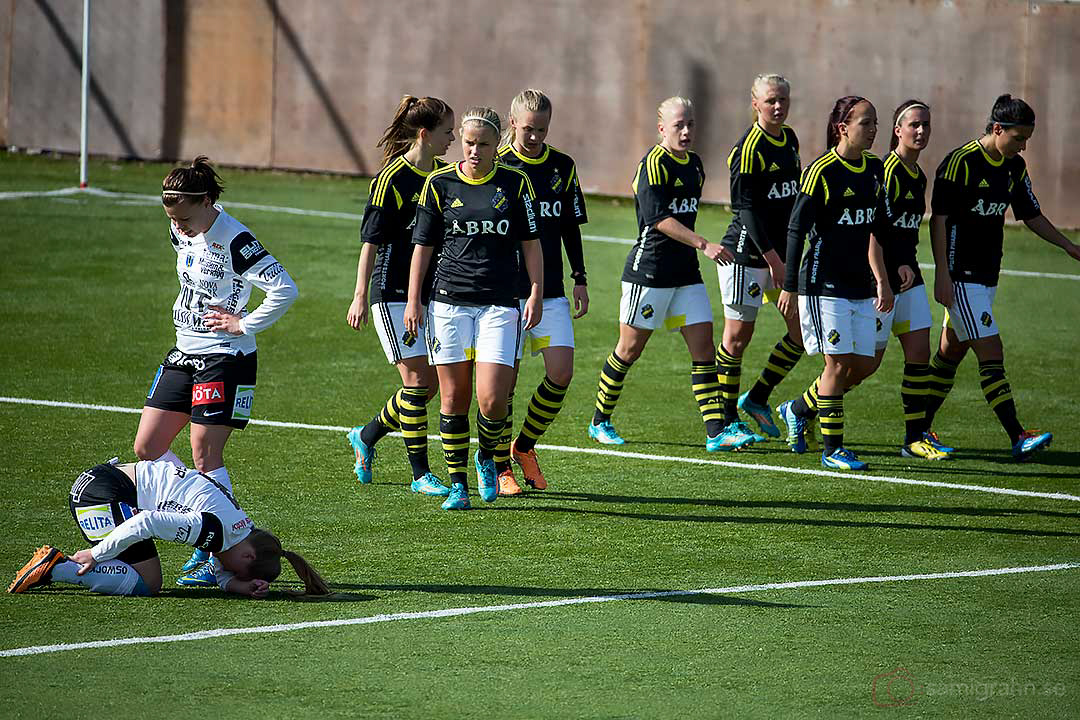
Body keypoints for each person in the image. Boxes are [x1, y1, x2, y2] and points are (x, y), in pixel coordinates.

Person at [134, 157, 297, 582]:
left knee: (205, 455)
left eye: (186, 218)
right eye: (173, 219)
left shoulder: (235, 238)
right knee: (147, 449)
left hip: (226, 356)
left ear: (208, 202)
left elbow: (285, 287)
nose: (180, 227)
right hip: (184, 352)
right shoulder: (180, 229)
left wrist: (243, 322)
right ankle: (198, 514)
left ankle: (216, 549)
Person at [923, 94, 1080, 460]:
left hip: (987, 276)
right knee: (991, 351)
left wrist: (1067, 246)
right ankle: (1017, 435)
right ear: (997, 129)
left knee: (950, 353)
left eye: (1027, 138)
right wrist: (942, 274)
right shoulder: (960, 163)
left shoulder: (1014, 167)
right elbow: (940, 220)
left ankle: (917, 428)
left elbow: (1030, 214)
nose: (1023, 145)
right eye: (1018, 137)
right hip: (961, 276)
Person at [404, 106, 543, 510]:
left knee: (492, 399)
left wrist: (535, 291)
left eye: (483, 143)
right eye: (468, 142)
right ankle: (459, 485)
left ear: (497, 143)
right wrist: (415, 300)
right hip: (448, 305)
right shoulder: (438, 183)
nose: (474, 150)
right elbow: (422, 247)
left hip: (500, 304)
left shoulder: (516, 184)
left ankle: (487, 455)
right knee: (452, 398)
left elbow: (531, 244)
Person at [587, 96, 734, 450]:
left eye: (690, 125)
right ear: (661, 128)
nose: (685, 132)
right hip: (649, 272)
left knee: (703, 349)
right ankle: (599, 420)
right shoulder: (653, 164)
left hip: (685, 274)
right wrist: (703, 244)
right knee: (629, 349)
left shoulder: (695, 165)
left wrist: (695, 251)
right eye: (678, 125)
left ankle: (716, 431)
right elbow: (657, 219)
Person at [8, 458, 328, 597]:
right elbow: (146, 522)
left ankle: (64, 565)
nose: (223, 570)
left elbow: (221, 562)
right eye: (238, 572)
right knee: (147, 583)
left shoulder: (241, 530)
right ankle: (56, 568)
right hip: (101, 496)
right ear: (246, 558)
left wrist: (235, 585)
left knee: (143, 572)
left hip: (103, 487)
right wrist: (96, 553)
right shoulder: (215, 530)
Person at [346, 96, 455, 497]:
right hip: (391, 293)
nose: (454, 139)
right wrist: (360, 296)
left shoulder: (444, 175)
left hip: (430, 294)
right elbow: (370, 243)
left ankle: (367, 435)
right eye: (448, 132)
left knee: (426, 387)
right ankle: (419, 474)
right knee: (415, 381)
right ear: (425, 134)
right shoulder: (391, 179)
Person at [775, 96, 892, 471]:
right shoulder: (821, 171)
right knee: (838, 365)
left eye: (876, 123)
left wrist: (883, 278)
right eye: (866, 123)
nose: (874, 130)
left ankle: (797, 408)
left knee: (864, 364)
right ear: (843, 128)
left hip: (859, 283)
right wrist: (789, 286)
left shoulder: (875, 168)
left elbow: (879, 227)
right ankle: (833, 449)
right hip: (822, 285)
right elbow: (795, 229)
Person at [492, 89, 589, 495]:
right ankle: (500, 467)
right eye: (528, 128)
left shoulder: (562, 166)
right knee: (506, 385)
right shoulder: (496, 167)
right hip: (504, 291)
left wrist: (579, 276)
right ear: (513, 123)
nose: (534, 137)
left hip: (550, 291)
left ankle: (524, 446)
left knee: (560, 373)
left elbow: (569, 226)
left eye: (542, 130)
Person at [715, 74, 804, 448]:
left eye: (783, 99)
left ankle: (757, 396)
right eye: (770, 101)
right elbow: (745, 210)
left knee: (802, 333)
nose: (778, 106)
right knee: (737, 338)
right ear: (755, 104)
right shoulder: (748, 148)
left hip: (779, 256)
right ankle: (726, 419)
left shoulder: (790, 140)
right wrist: (773, 260)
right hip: (746, 254)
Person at [865, 99, 949, 460]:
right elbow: (872, 232)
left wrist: (906, 266)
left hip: (908, 274)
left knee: (919, 353)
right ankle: (801, 409)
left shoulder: (919, 176)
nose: (921, 131)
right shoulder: (886, 171)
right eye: (914, 124)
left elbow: (905, 231)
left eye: (926, 125)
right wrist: (883, 276)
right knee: (864, 364)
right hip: (880, 276)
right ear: (897, 130)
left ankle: (914, 438)